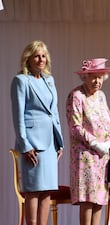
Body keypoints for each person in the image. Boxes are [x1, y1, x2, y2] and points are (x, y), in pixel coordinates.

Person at [10, 40, 64, 225]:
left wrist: (59, 142)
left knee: (47, 190)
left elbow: (54, 112)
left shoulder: (50, 80)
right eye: (37, 56)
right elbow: (18, 116)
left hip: (50, 144)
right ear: (28, 59)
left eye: (43, 56)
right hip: (33, 144)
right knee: (33, 190)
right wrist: (25, 145)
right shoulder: (21, 81)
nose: (41, 59)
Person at [66, 58, 110, 225]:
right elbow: (75, 127)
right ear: (84, 77)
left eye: (100, 77)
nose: (97, 81)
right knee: (88, 199)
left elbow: (109, 121)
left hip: (102, 157)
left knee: (99, 199)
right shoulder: (76, 96)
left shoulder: (101, 96)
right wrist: (95, 143)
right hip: (85, 156)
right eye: (93, 76)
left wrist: (108, 142)